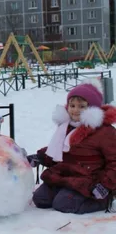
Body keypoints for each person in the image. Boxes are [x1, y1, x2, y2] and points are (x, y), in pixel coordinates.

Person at [27, 79, 116, 214]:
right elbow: (58, 150)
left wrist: (104, 185)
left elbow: (114, 162)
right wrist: (40, 157)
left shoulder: (104, 131)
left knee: (64, 204)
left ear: (92, 109)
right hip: (65, 174)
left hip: (89, 180)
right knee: (40, 199)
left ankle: (104, 201)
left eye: (82, 106)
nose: (75, 110)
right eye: (72, 105)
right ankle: (64, 192)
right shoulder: (66, 127)